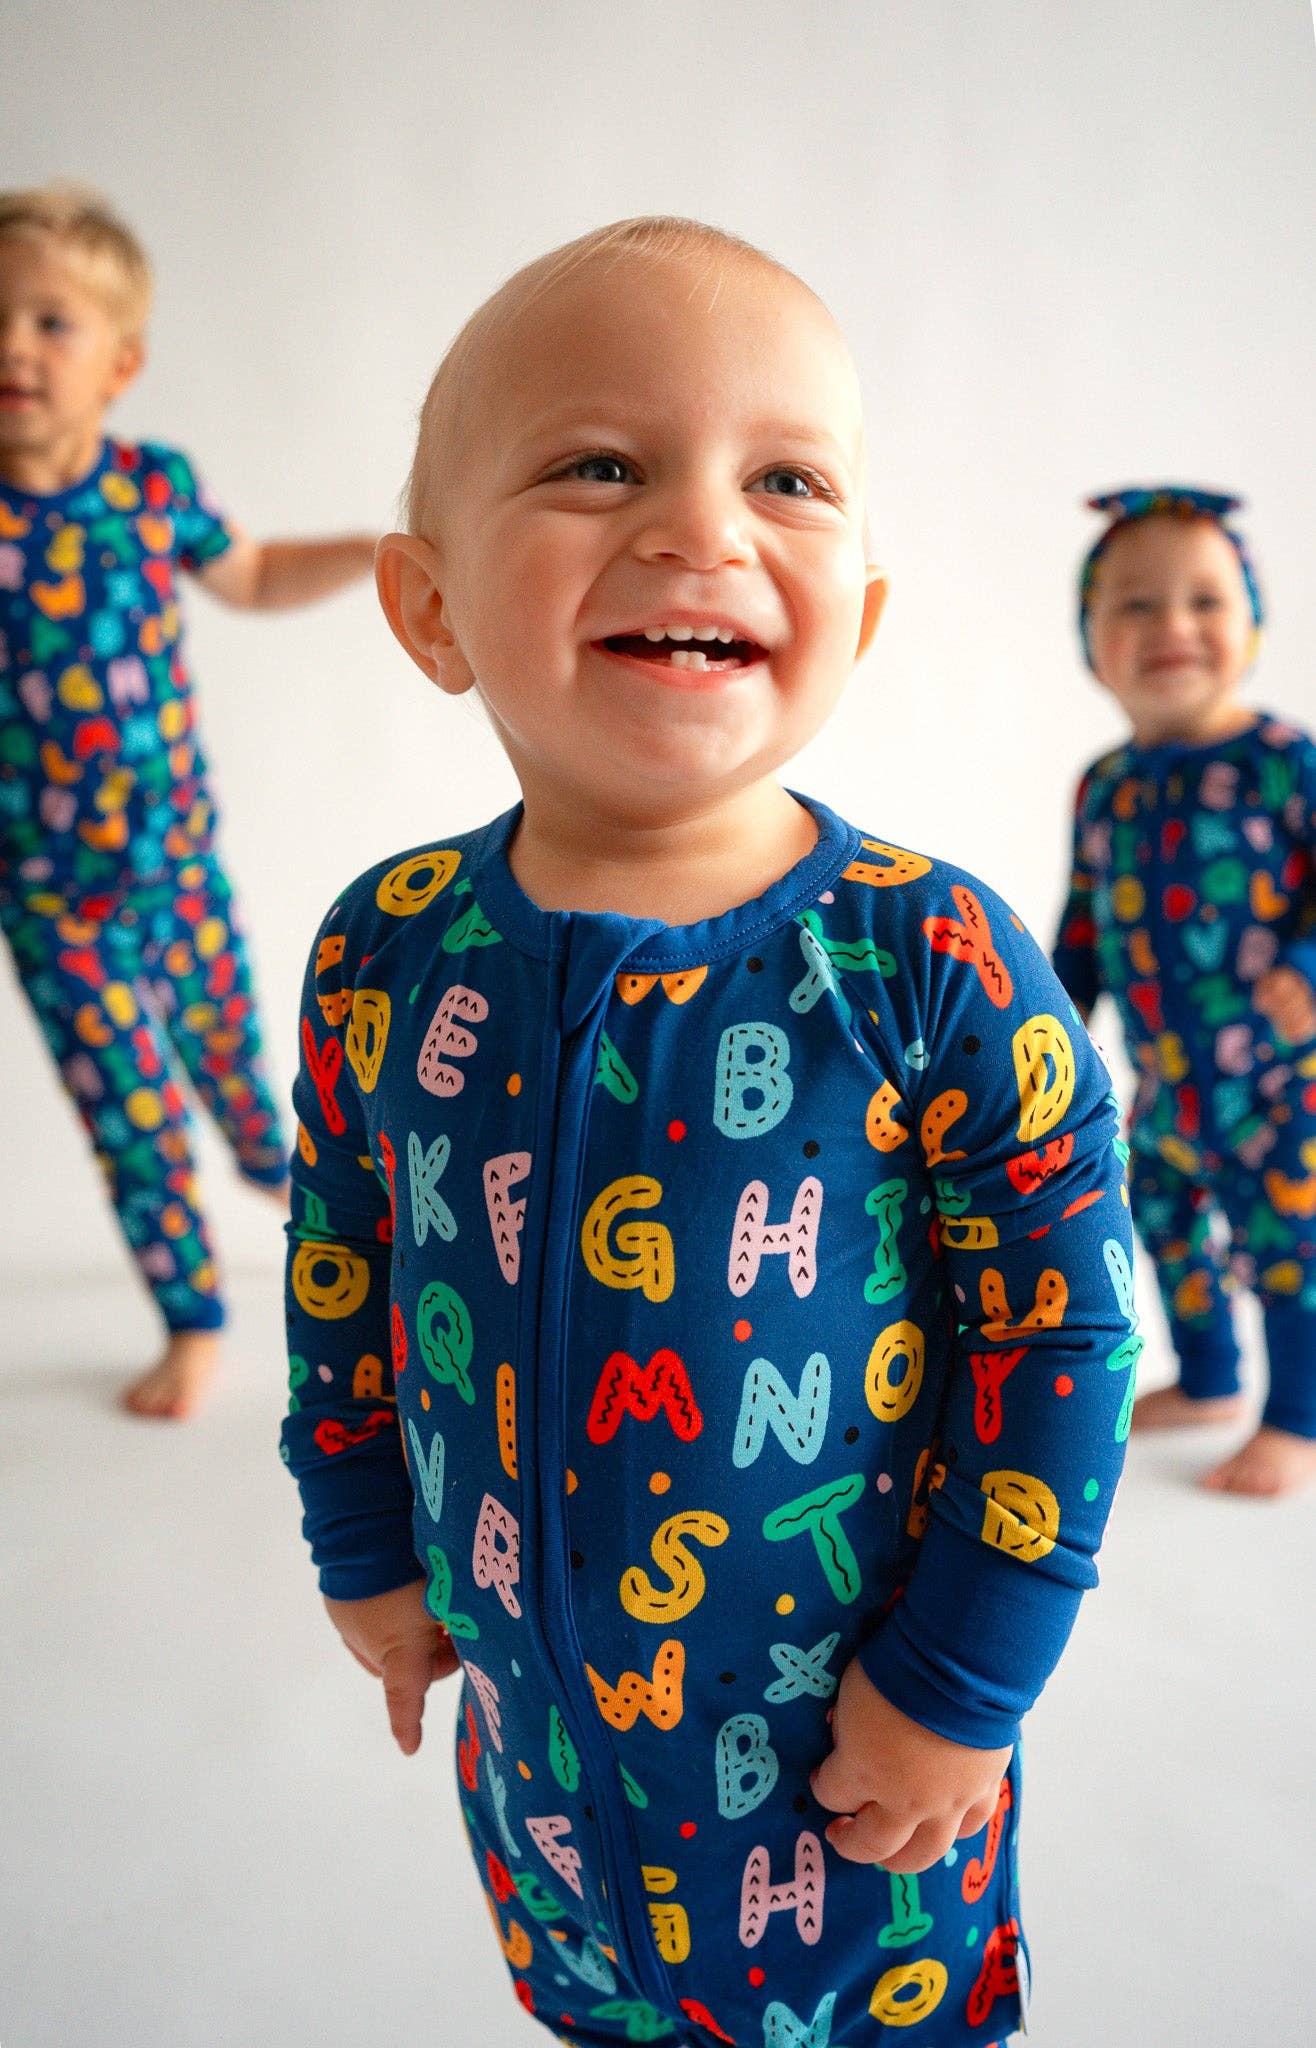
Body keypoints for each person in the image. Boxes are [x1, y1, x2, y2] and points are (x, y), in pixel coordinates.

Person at [282, 217, 1139, 2048]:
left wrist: (962, 1681)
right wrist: (360, 1535)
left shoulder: (929, 959)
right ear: (431, 608)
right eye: (601, 465)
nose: (701, 529)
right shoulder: (385, 949)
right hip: (541, 1773)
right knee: (592, 2012)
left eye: (785, 479)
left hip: (852, 1778)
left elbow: (1065, 1331)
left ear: (861, 618)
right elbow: (342, 1257)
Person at [0, 182, 377, 1418]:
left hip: (176, 871)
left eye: (49, 322)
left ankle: (302, 1197)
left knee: (238, 1083)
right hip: (50, 901)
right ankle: (194, 1317)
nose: (14, 347)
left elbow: (252, 574)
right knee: (132, 1113)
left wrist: (370, 551)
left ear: (121, 363)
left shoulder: (150, 489)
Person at [1053, 485, 1316, 1497]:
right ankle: (1207, 1378)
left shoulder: (1283, 762)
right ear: (1092, 642)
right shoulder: (1103, 783)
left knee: (1287, 1240)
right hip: (1165, 1081)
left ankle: (1295, 1418)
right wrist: (1055, 1010)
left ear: (1252, 624)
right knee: (1159, 1219)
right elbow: (1084, 913)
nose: (1172, 624)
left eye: (1204, 600)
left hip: (1281, 1080)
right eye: (1135, 603)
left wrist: (1304, 970)